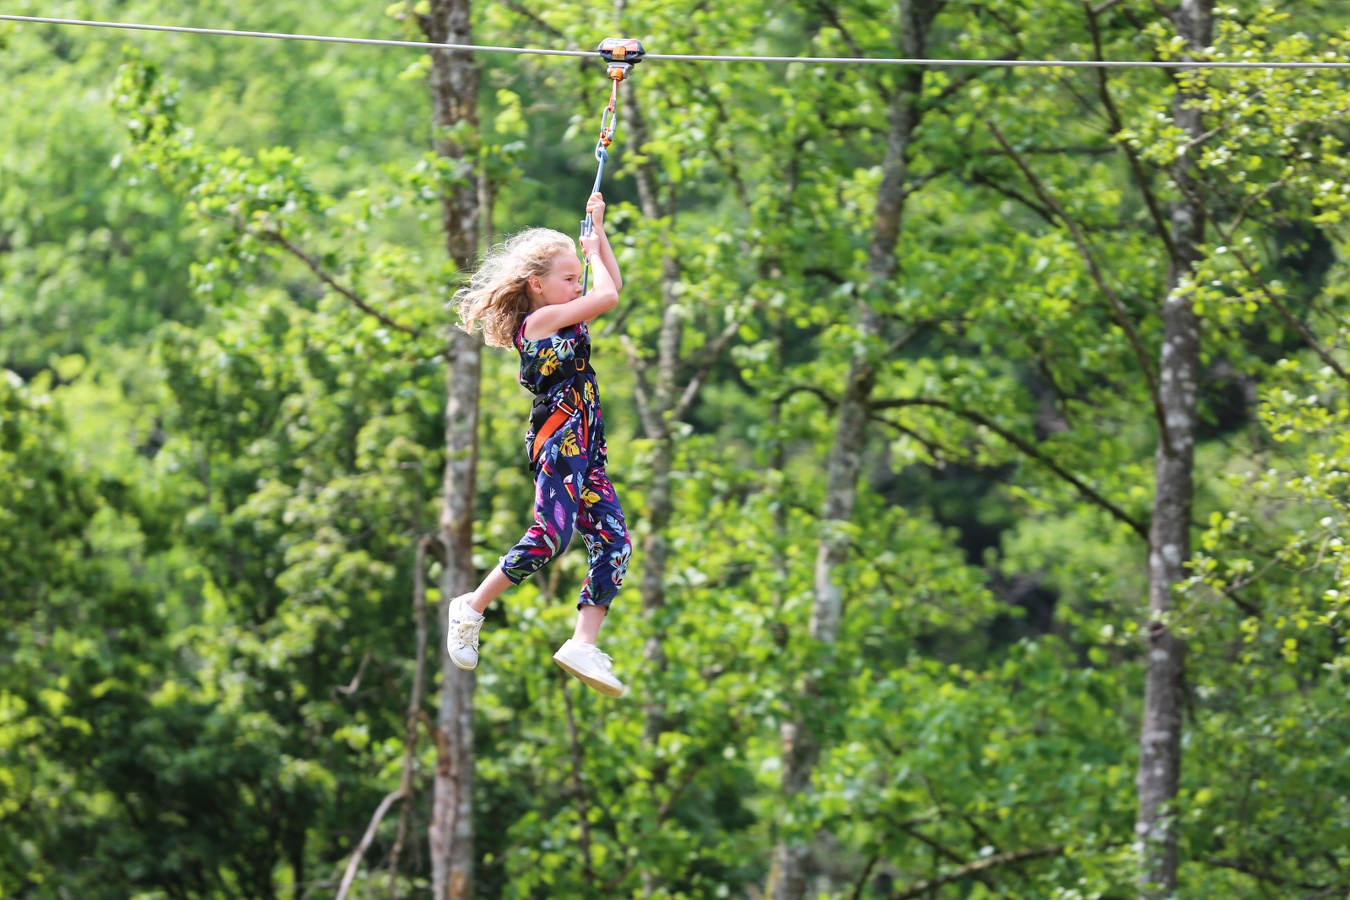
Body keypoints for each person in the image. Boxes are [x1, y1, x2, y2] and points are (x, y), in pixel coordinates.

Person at [448, 192, 632, 697]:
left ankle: (582, 643)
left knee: (615, 544)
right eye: (569, 280)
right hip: (560, 443)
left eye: (577, 280)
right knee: (551, 536)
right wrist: (591, 251)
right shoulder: (540, 324)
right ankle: (471, 606)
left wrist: (598, 232)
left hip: (588, 448)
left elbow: (610, 288)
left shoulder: (567, 314)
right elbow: (607, 296)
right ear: (537, 285)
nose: (579, 286)